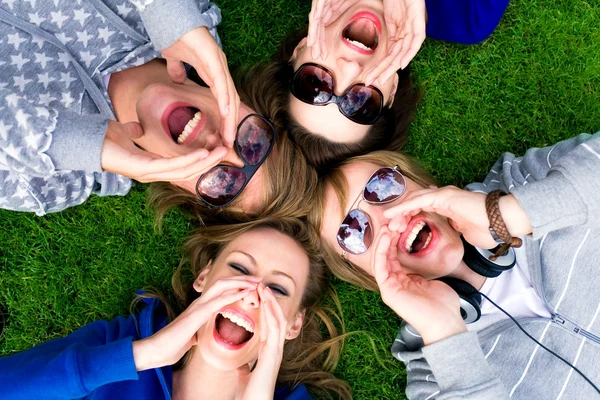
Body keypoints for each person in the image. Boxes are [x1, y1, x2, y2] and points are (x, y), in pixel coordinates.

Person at [309, 131, 600, 398]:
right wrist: (445, 332)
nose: (391, 218)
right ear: (364, 274)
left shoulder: (527, 180)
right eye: (354, 231)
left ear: (424, 185)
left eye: (383, 186)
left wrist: (507, 215)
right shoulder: (434, 377)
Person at [0, 217, 352, 399]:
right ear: (203, 278)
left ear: (293, 325)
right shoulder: (119, 344)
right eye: (240, 269)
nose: (250, 295)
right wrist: (144, 356)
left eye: (277, 288)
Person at [0, 0, 254, 215]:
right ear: (249, 103)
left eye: (223, 182)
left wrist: (62, 143)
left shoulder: (44, 184)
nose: (217, 146)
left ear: (180, 190)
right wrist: (164, 10)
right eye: (252, 142)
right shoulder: (192, 19)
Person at [267, 0, 509, 170]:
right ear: (391, 90)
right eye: (361, 102)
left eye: (314, 83)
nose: (351, 68)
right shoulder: (470, 16)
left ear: (298, 51)